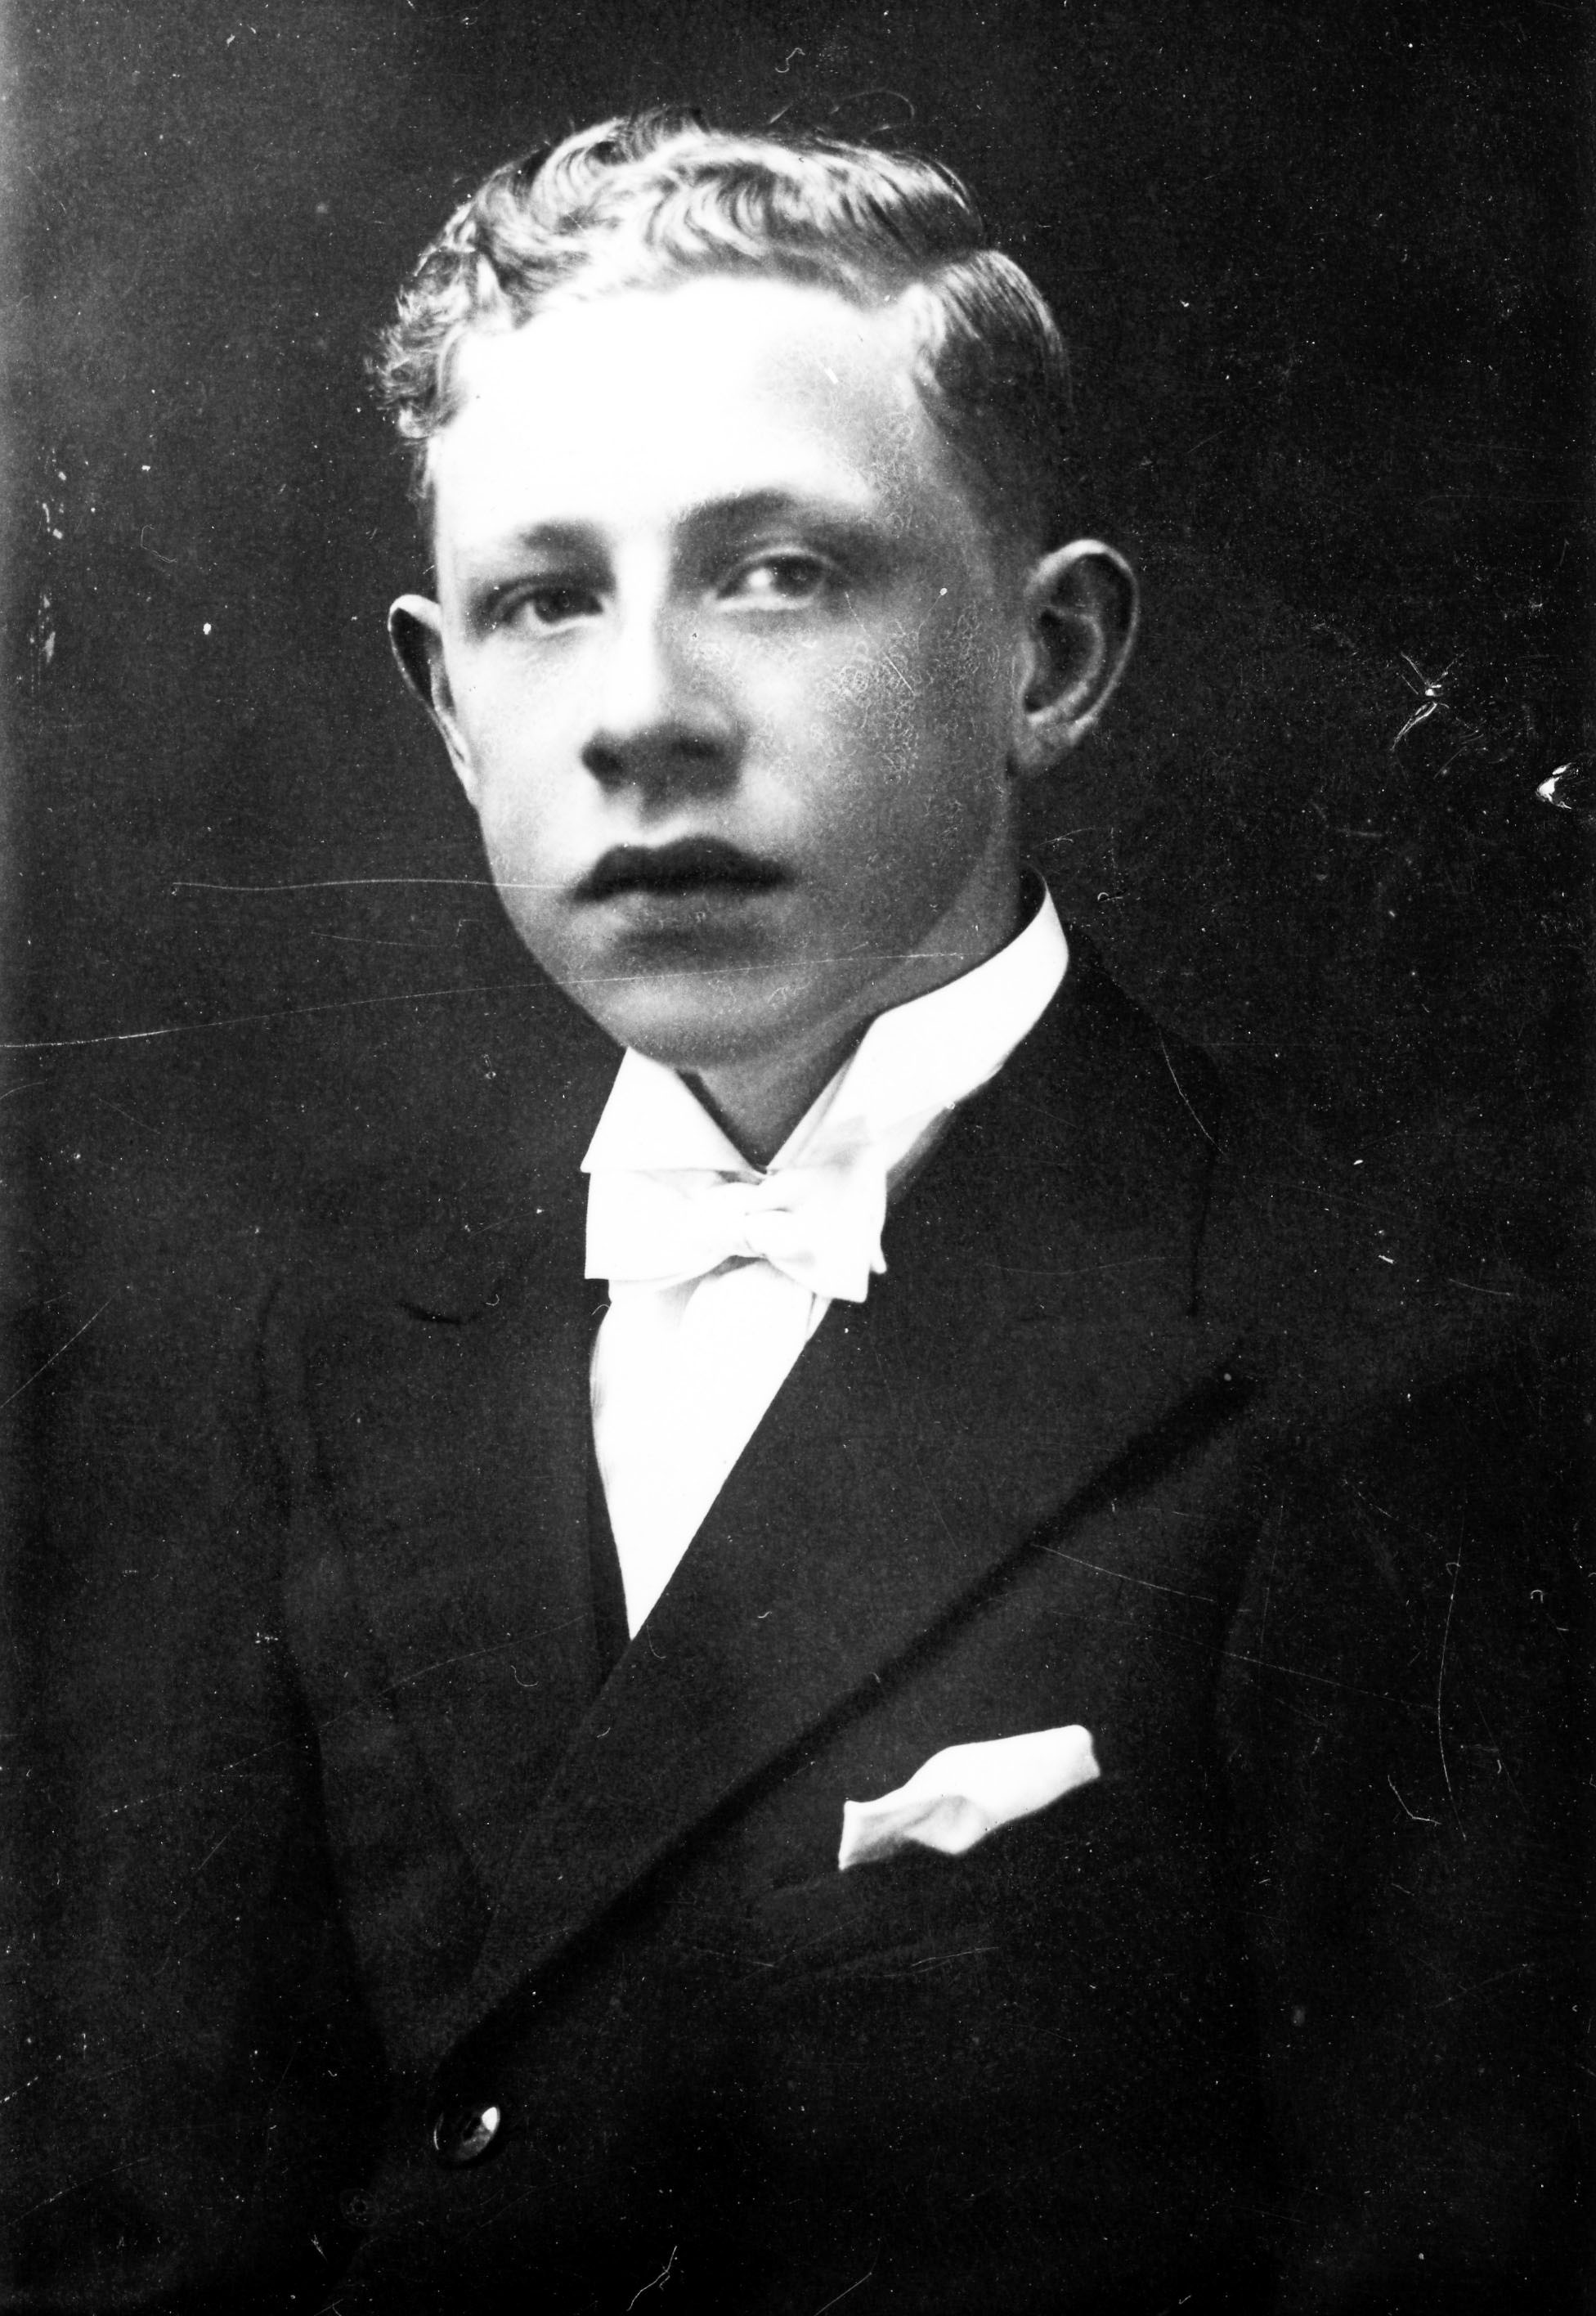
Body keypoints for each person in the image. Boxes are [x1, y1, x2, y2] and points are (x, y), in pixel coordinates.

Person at [7, 114, 1583, 2315]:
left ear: (1051, 658)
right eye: (544, 601)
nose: (643, 717)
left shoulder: (1394, 1372)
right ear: (448, 707)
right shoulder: (318, 1348)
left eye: (778, 573)